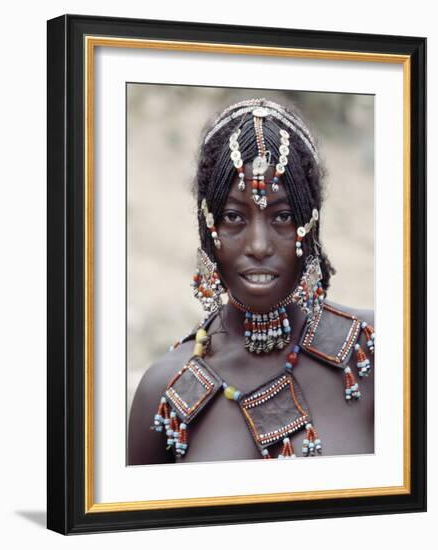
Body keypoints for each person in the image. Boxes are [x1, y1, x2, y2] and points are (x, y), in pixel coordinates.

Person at [128, 98, 374, 465]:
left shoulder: (374, 351)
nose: (258, 246)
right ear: (206, 227)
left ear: (311, 225)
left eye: (283, 216)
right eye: (233, 217)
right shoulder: (164, 391)